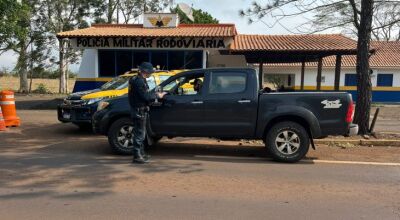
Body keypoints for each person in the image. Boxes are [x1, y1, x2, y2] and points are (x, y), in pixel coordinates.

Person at [128, 62, 166, 164]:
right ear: (145, 71)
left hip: (138, 109)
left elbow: (144, 94)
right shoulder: (139, 82)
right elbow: (145, 97)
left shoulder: (136, 79)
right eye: (150, 72)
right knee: (139, 134)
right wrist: (158, 96)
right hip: (139, 110)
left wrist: (154, 94)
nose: (151, 74)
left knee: (141, 133)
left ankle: (141, 153)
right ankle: (137, 156)